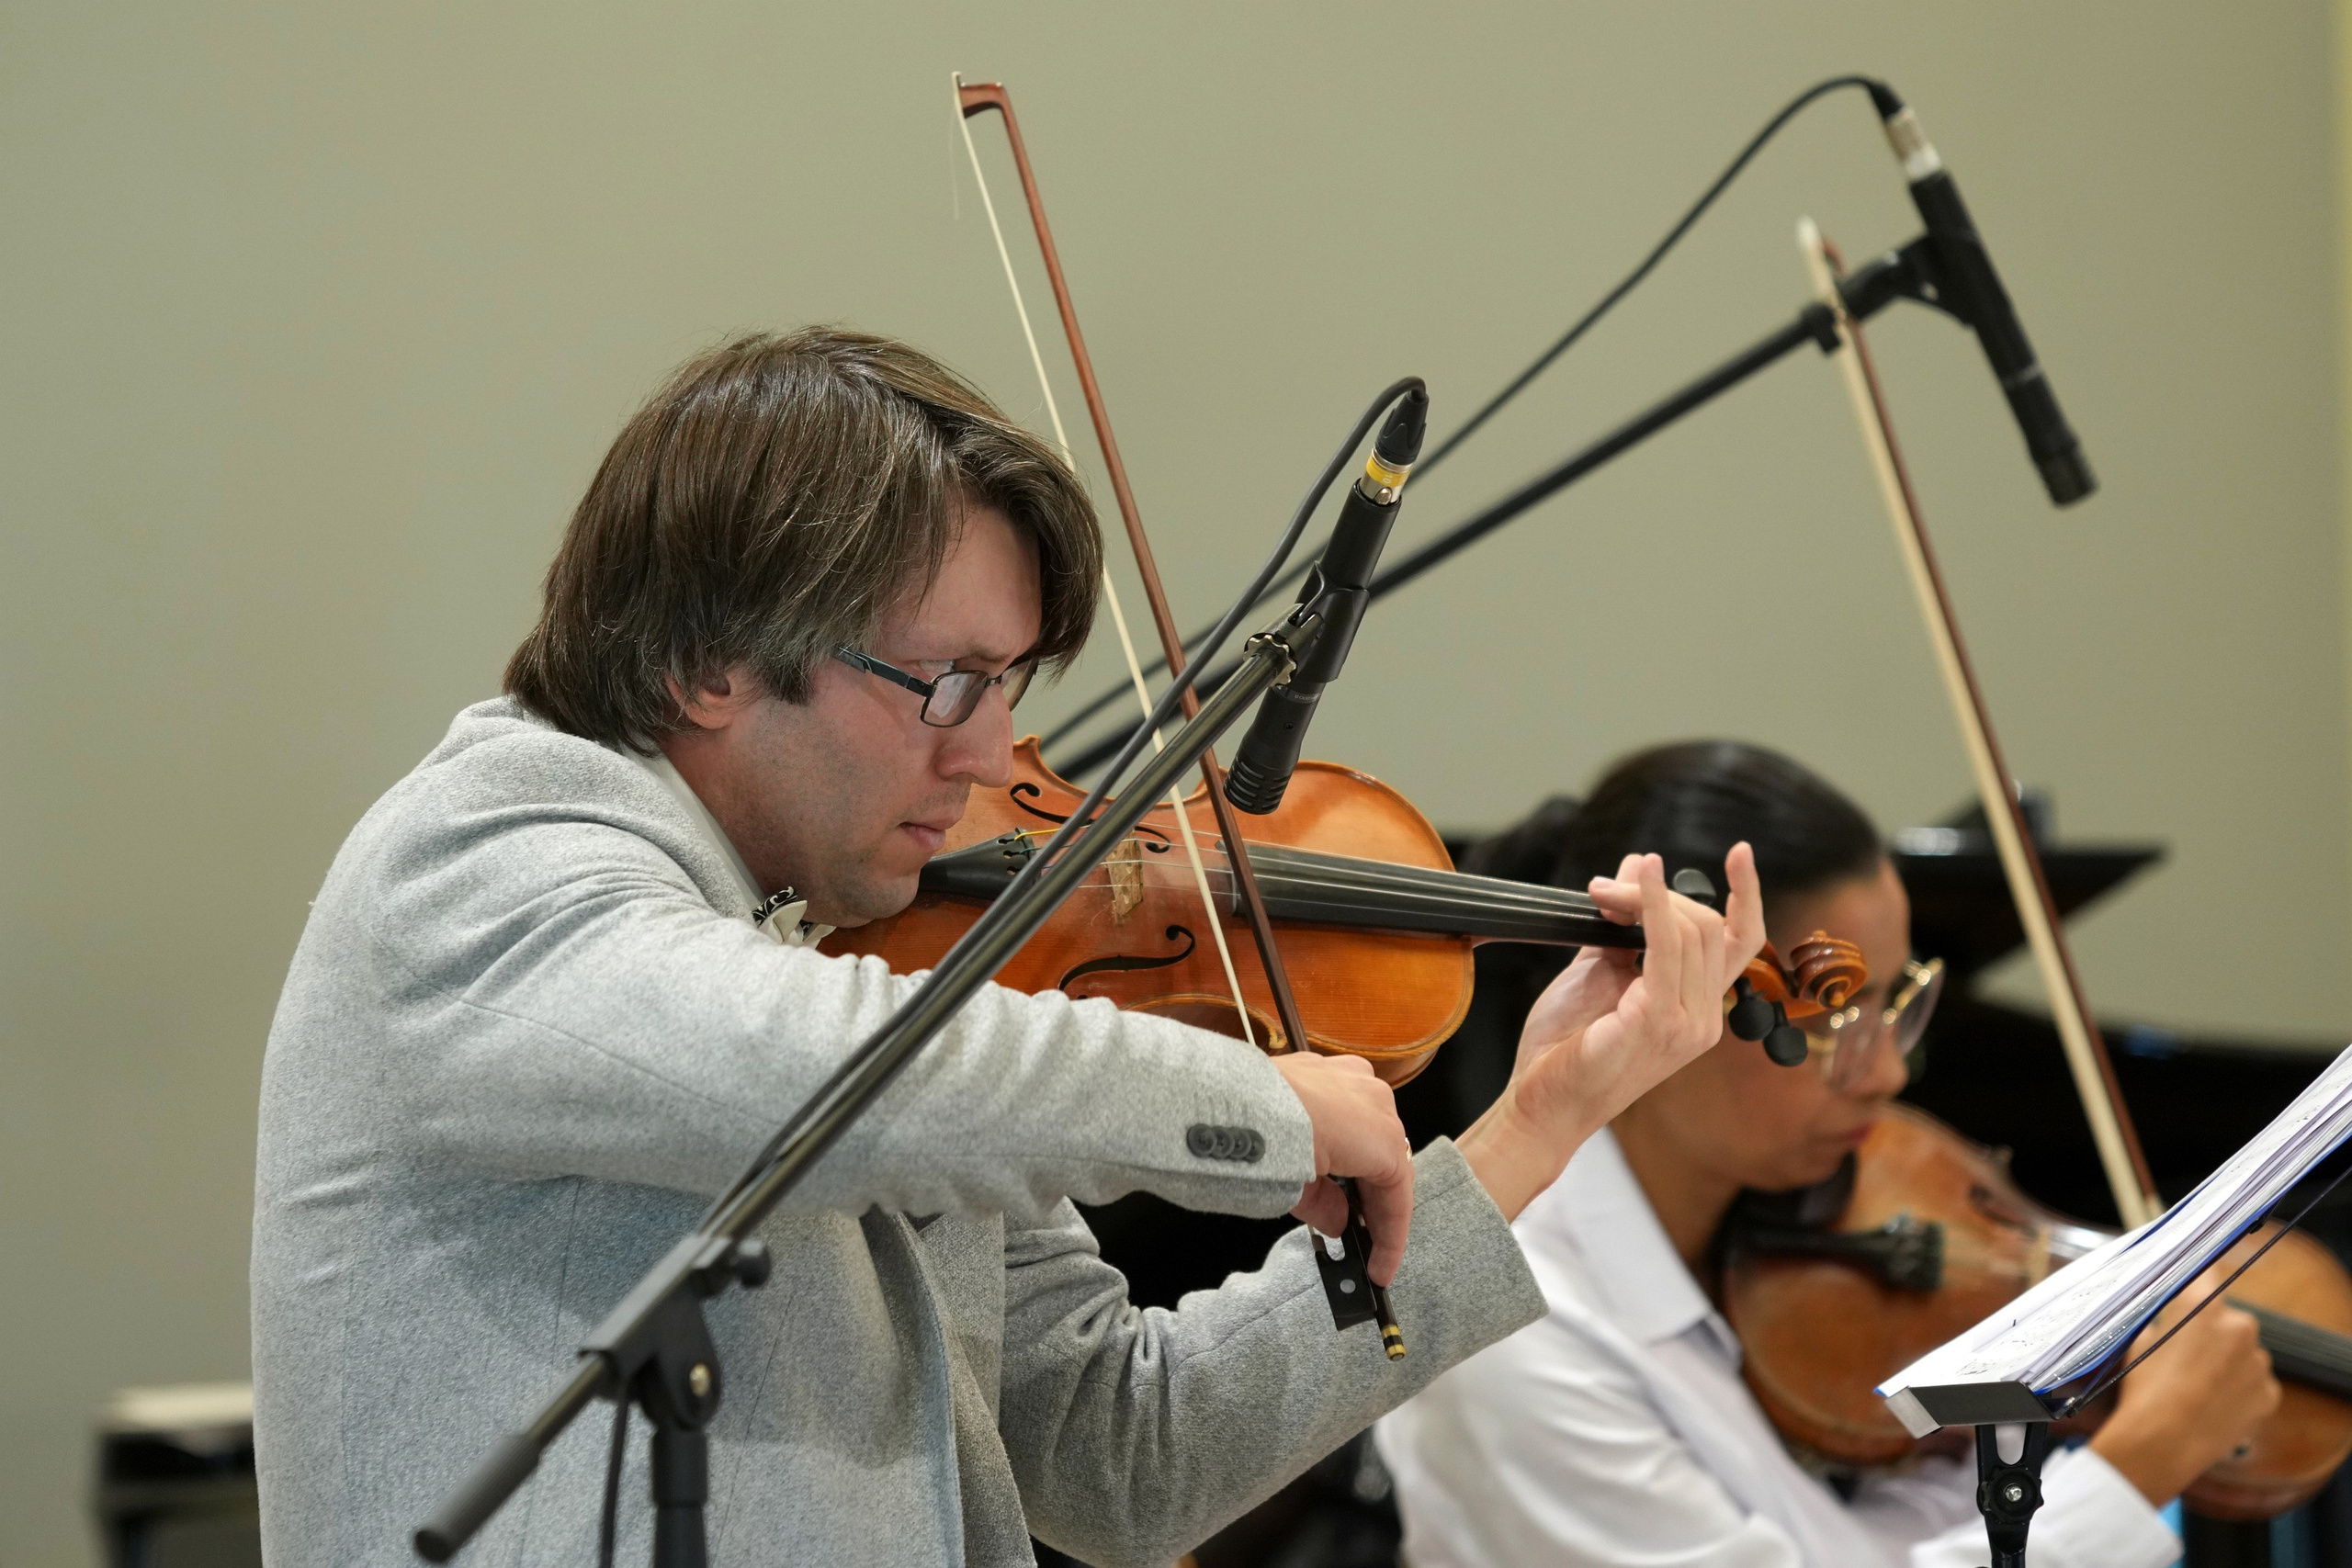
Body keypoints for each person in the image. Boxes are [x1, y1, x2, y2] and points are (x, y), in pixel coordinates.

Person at [249, 329, 1769, 1568]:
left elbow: (1126, 1454)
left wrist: (1543, 1117)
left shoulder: (888, 976)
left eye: (1009, 683)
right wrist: (1268, 1108)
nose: (996, 756)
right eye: (948, 682)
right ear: (708, 663)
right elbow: (826, 1073)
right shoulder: (484, 868)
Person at [1376, 740, 2283, 1568]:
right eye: (1833, 1019)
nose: (1886, 1072)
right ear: (1667, 994)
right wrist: (2134, 1467)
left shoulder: (1789, 1252)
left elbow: (1867, 1545)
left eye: (1898, 1005)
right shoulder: (1507, 1334)